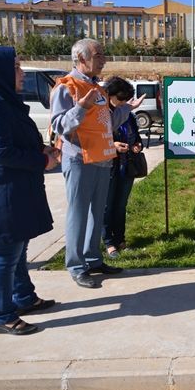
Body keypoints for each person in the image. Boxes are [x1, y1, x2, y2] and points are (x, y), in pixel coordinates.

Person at [0, 44, 59, 335]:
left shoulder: (2, 101)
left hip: (13, 186)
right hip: (0, 189)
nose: (21, 73)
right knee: (7, 253)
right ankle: (2, 315)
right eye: (16, 67)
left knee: (19, 246)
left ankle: (23, 297)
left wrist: (42, 148)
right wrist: (43, 160)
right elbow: (1, 152)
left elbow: (16, 139)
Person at [51, 38, 144, 289]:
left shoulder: (99, 89)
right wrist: (81, 106)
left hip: (102, 160)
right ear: (81, 59)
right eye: (98, 55)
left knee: (96, 212)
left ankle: (93, 259)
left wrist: (127, 109)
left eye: (103, 54)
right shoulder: (66, 87)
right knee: (78, 214)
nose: (104, 59)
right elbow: (59, 125)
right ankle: (76, 266)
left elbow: (108, 123)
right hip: (80, 159)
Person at [102, 77, 144, 259]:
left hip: (127, 167)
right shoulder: (102, 115)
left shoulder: (129, 115)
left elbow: (137, 137)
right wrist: (114, 145)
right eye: (120, 99)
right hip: (108, 166)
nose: (123, 103)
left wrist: (137, 145)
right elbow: (98, 139)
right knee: (107, 206)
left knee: (121, 206)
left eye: (126, 100)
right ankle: (108, 243)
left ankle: (120, 240)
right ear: (109, 95)